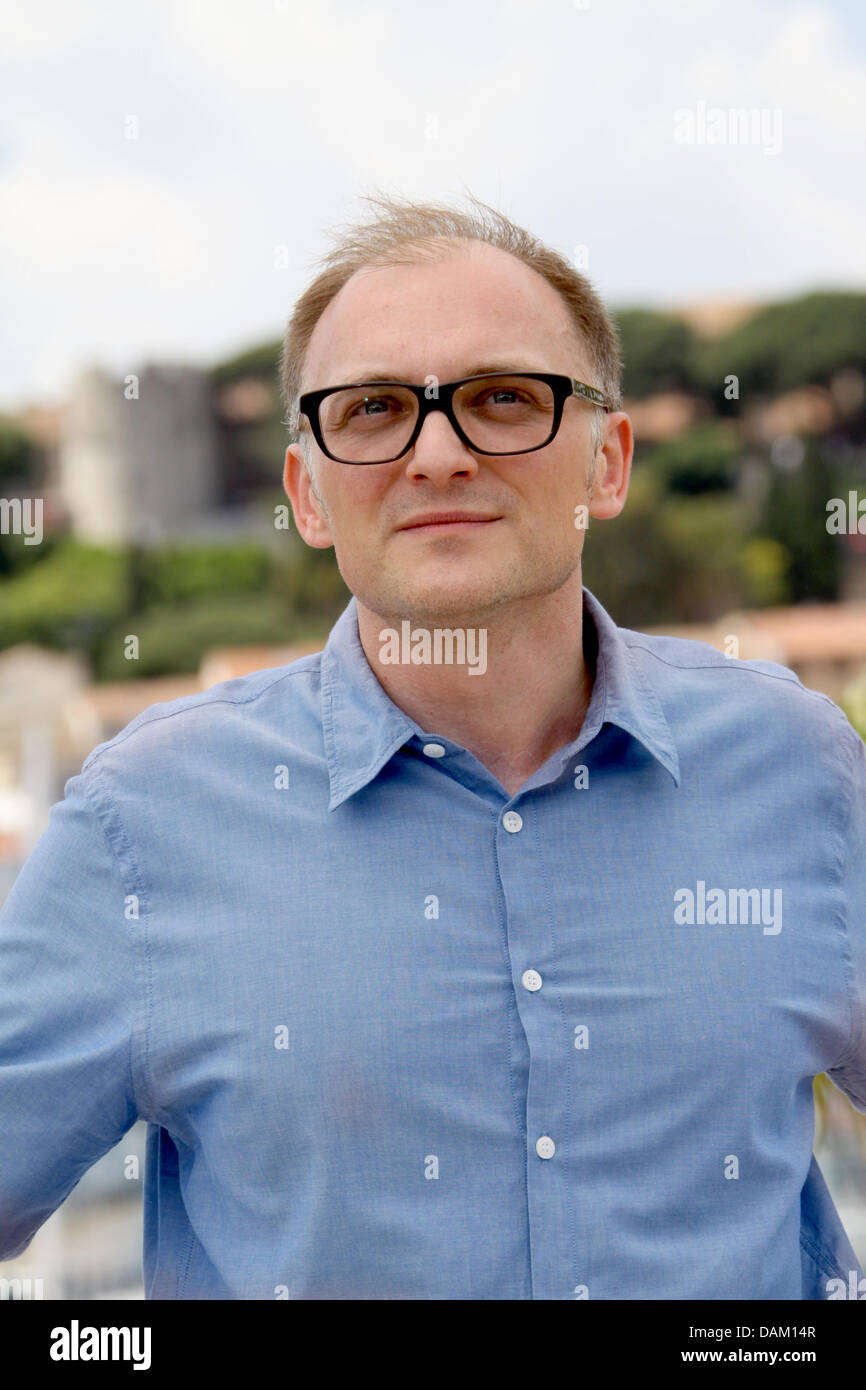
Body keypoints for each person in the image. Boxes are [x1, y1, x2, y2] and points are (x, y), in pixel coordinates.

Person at [1, 193, 864, 1300]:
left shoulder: (795, 765)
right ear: (307, 491)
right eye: (370, 410)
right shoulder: (145, 824)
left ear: (607, 461)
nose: (440, 454)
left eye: (503, 398)